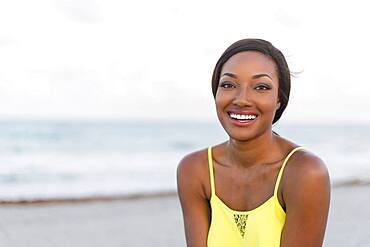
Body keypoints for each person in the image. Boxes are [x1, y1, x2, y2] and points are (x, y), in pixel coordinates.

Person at [176, 38, 331, 247]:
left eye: (261, 87)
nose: (241, 99)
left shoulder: (305, 173)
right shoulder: (195, 170)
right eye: (228, 85)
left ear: (279, 100)